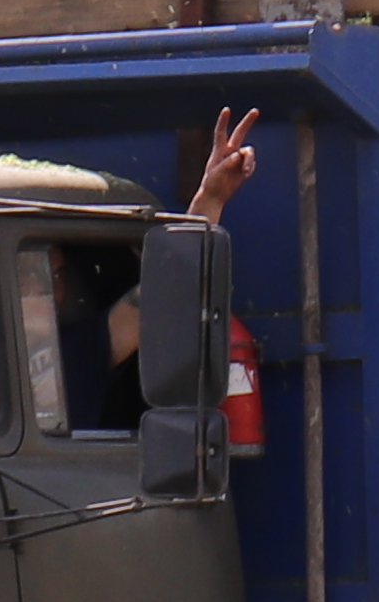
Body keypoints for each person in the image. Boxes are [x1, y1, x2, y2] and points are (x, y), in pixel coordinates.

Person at [85, 107, 261, 417]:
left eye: (50, 274)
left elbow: (164, 295)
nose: (44, 289)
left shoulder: (68, 353)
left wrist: (210, 198)